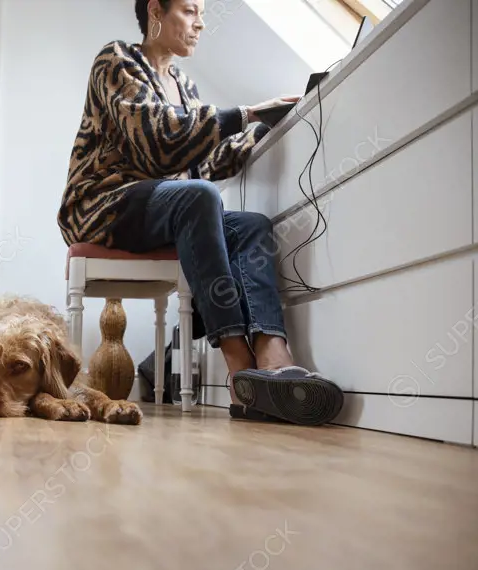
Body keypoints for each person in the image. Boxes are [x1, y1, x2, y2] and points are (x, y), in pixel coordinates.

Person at [57, 0, 343, 426]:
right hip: (104, 203)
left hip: (162, 207)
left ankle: (271, 352)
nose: (201, 24)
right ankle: (237, 364)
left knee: (252, 226)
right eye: (190, 11)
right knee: (200, 197)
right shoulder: (116, 60)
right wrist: (244, 113)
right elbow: (157, 142)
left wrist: (265, 128)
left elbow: (200, 166)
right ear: (156, 10)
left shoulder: (185, 87)